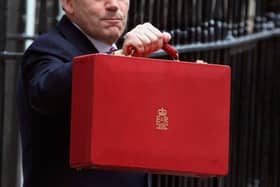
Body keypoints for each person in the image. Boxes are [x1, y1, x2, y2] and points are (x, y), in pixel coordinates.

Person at [16, 0, 171, 187]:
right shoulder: (45, 49)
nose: (114, 5)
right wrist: (117, 60)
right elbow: (45, 91)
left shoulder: (120, 53)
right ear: (69, 4)